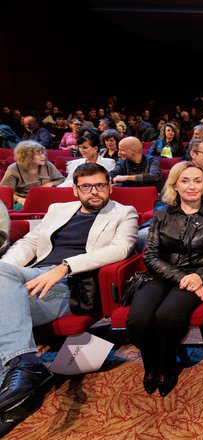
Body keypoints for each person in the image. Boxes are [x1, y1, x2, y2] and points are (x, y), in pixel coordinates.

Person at [0, 163, 137, 434]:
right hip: (31, 275)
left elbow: (121, 249)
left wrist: (65, 266)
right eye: (86, 186)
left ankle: (17, 390)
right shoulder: (57, 209)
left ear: (110, 186)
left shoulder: (124, 213)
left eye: (100, 185)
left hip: (70, 283)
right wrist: (7, 274)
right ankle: (25, 364)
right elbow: (29, 243)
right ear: (75, 189)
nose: (94, 192)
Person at [127, 162, 203, 398]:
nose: (192, 186)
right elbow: (150, 255)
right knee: (137, 320)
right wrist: (184, 277)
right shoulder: (161, 212)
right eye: (185, 181)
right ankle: (150, 362)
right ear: (174, 184)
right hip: (161, 274)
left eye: (197, 181)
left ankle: (166, 364)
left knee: (168, 316)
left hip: (197, 275)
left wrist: (200, 276)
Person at [0, 141, 64, 208]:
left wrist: (51, 183)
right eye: (38, 154)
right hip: (22, 201)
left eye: (43, 153)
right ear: (27, 156)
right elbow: (4, 192)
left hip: (45, 199)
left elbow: (62, 180)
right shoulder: (14, 168)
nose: (43, 156)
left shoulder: (48, 165)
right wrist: (19, 199)